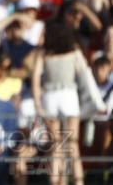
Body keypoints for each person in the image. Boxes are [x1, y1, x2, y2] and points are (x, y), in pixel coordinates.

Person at [31, 22, 85, 185]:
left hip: (51, 98)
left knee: (56, 146)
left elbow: (35, 79)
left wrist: (38, 105)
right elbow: (83, 71)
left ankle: (55, 182)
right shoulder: (74, 51)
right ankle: (78, 182)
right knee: (73, 144)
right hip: (69, 97)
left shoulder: (44, 53)